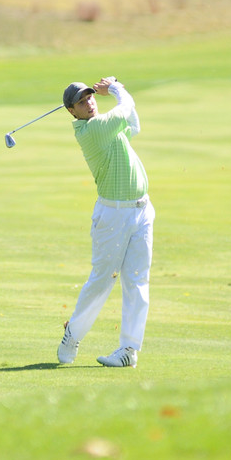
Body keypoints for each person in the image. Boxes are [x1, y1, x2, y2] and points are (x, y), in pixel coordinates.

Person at [57, 77, 154, 368]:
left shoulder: (105, 125)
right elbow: (125, 109)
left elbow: (133, 124)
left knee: (137, 282)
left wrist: (116, 92)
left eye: (90, 97)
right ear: (72, 112)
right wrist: (115, 88)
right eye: (82, 101)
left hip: (142, 211)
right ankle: (73, 334)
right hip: (113, 215)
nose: (89, 103)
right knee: (101, 281)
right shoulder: (92, 130)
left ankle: (128, 350)